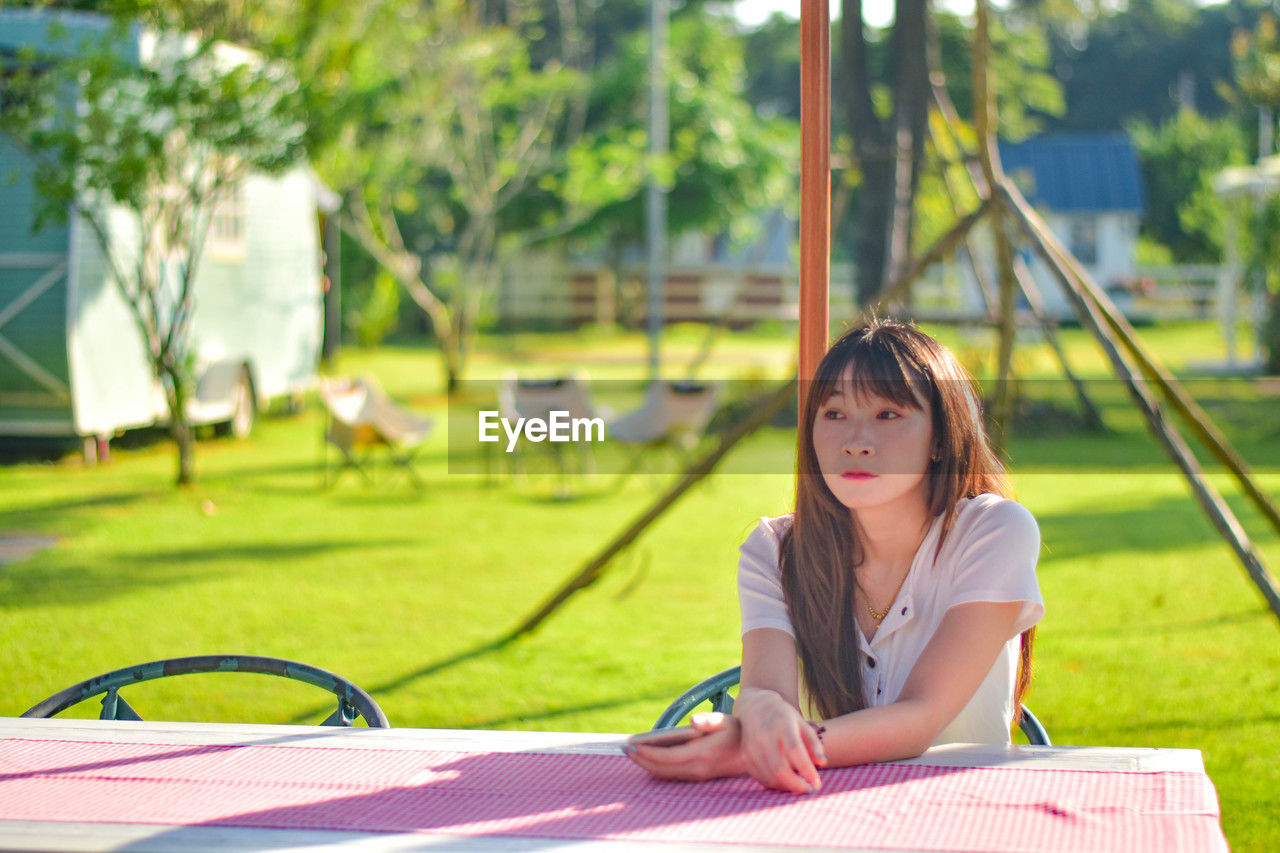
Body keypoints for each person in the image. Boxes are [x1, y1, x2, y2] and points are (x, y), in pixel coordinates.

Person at [625, 318, 1043, 794]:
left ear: (942, 438)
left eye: (888, 415)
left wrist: (758, 748)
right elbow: (767, 689)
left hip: (968, 808)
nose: (855, 441)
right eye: (834, 414)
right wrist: (760, 714)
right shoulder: (776, 549)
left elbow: (921, 716)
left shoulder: (994, 531)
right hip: (819, 808)